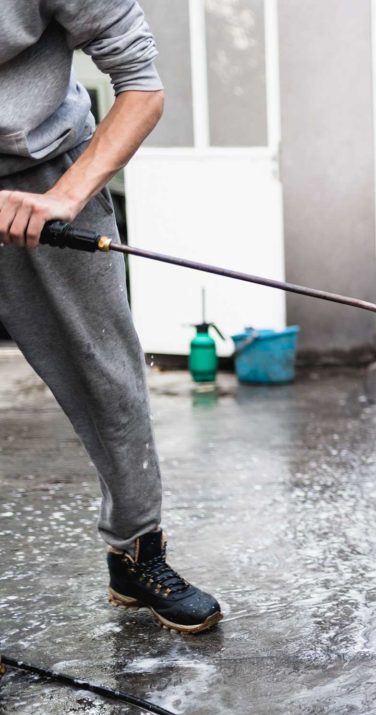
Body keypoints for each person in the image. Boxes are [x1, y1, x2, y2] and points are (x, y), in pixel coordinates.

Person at [0, 1, 221, 633]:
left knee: (109, 379)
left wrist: (67, 196)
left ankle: (135, 553)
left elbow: (142, 88)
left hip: (48, 172)